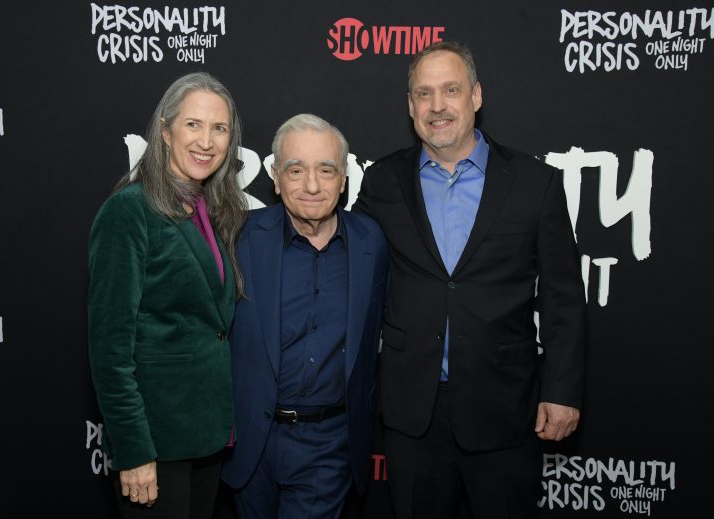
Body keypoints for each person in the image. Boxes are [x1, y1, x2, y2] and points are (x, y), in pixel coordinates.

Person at [352, 41, 587, 518]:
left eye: (451, 90)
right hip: (411, 410)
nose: (437, 106)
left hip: (503, 407)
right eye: (424, 94)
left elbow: (563, 297)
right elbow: (350, 269)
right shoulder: (380, 182)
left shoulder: (533, 182)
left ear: (476, 96)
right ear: (410, 105)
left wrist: (560, 391)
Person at [88, 71, 246, 518]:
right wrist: (134, 450)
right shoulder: (129, 211)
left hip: (206, 436)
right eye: (193, 124)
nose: (207, 141)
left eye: (220, 128)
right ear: (164, 130)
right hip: (156, 443)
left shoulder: (213, 209)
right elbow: (110, 347)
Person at [221, 113, 389, 518]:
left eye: (326, 170)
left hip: (327, 446)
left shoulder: (371, 243)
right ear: (276, 177)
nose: (312, 186)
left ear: (344, 178)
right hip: (249, 442)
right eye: (296, 170)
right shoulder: (238, 237)